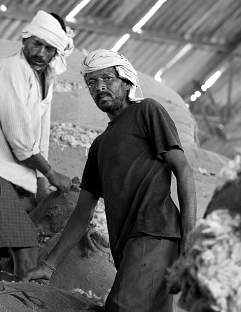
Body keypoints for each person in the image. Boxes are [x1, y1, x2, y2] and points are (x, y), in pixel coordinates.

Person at [23, 49, 197, 312]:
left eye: (107, 79)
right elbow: (83, 213)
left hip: (155, 233)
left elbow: (183, 169)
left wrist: (190, 237)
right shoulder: (99, 146)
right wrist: (49, 266)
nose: (99, 87)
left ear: (127, 82)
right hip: (126, 247)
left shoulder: (147, 111)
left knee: (121, 307)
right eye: (91, 83)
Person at [0, 10, 74, 281]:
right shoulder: (12, 68)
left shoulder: (45, 79)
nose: (40, 53)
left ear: (56, 53)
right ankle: (23, 301)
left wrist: (43, 186)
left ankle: (12, 296)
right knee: (27, 249)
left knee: (22, 250)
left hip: (8, 173)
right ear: (25, 39)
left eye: (49, 48)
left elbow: (40, 135)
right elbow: (18, 135)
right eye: (36, 43)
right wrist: (51, 173)